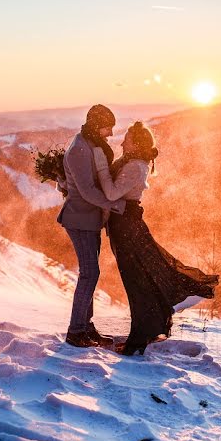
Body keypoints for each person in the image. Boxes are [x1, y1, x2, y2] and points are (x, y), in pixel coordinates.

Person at [93, 121, 218, 355]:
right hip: (124, 226)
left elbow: (111, 193)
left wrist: (100, 170)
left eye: (127, 139)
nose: (122, 142)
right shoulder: (131, 162)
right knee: (140, 280)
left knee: (137, 282)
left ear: (137, 142)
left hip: (128, 228)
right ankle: (144, 333)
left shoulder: (135, 166)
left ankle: (138, 340)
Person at [57, 104, 126, 348]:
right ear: (97, 124)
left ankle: (86, 327)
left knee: (90, 273)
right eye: (108, 127)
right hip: (79, 219)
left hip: (90, 219)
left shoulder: (89, 144)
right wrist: (116, 204)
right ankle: (75, 331)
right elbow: (86, 190)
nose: (110, 133)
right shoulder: (79, 149)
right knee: (90, 273)